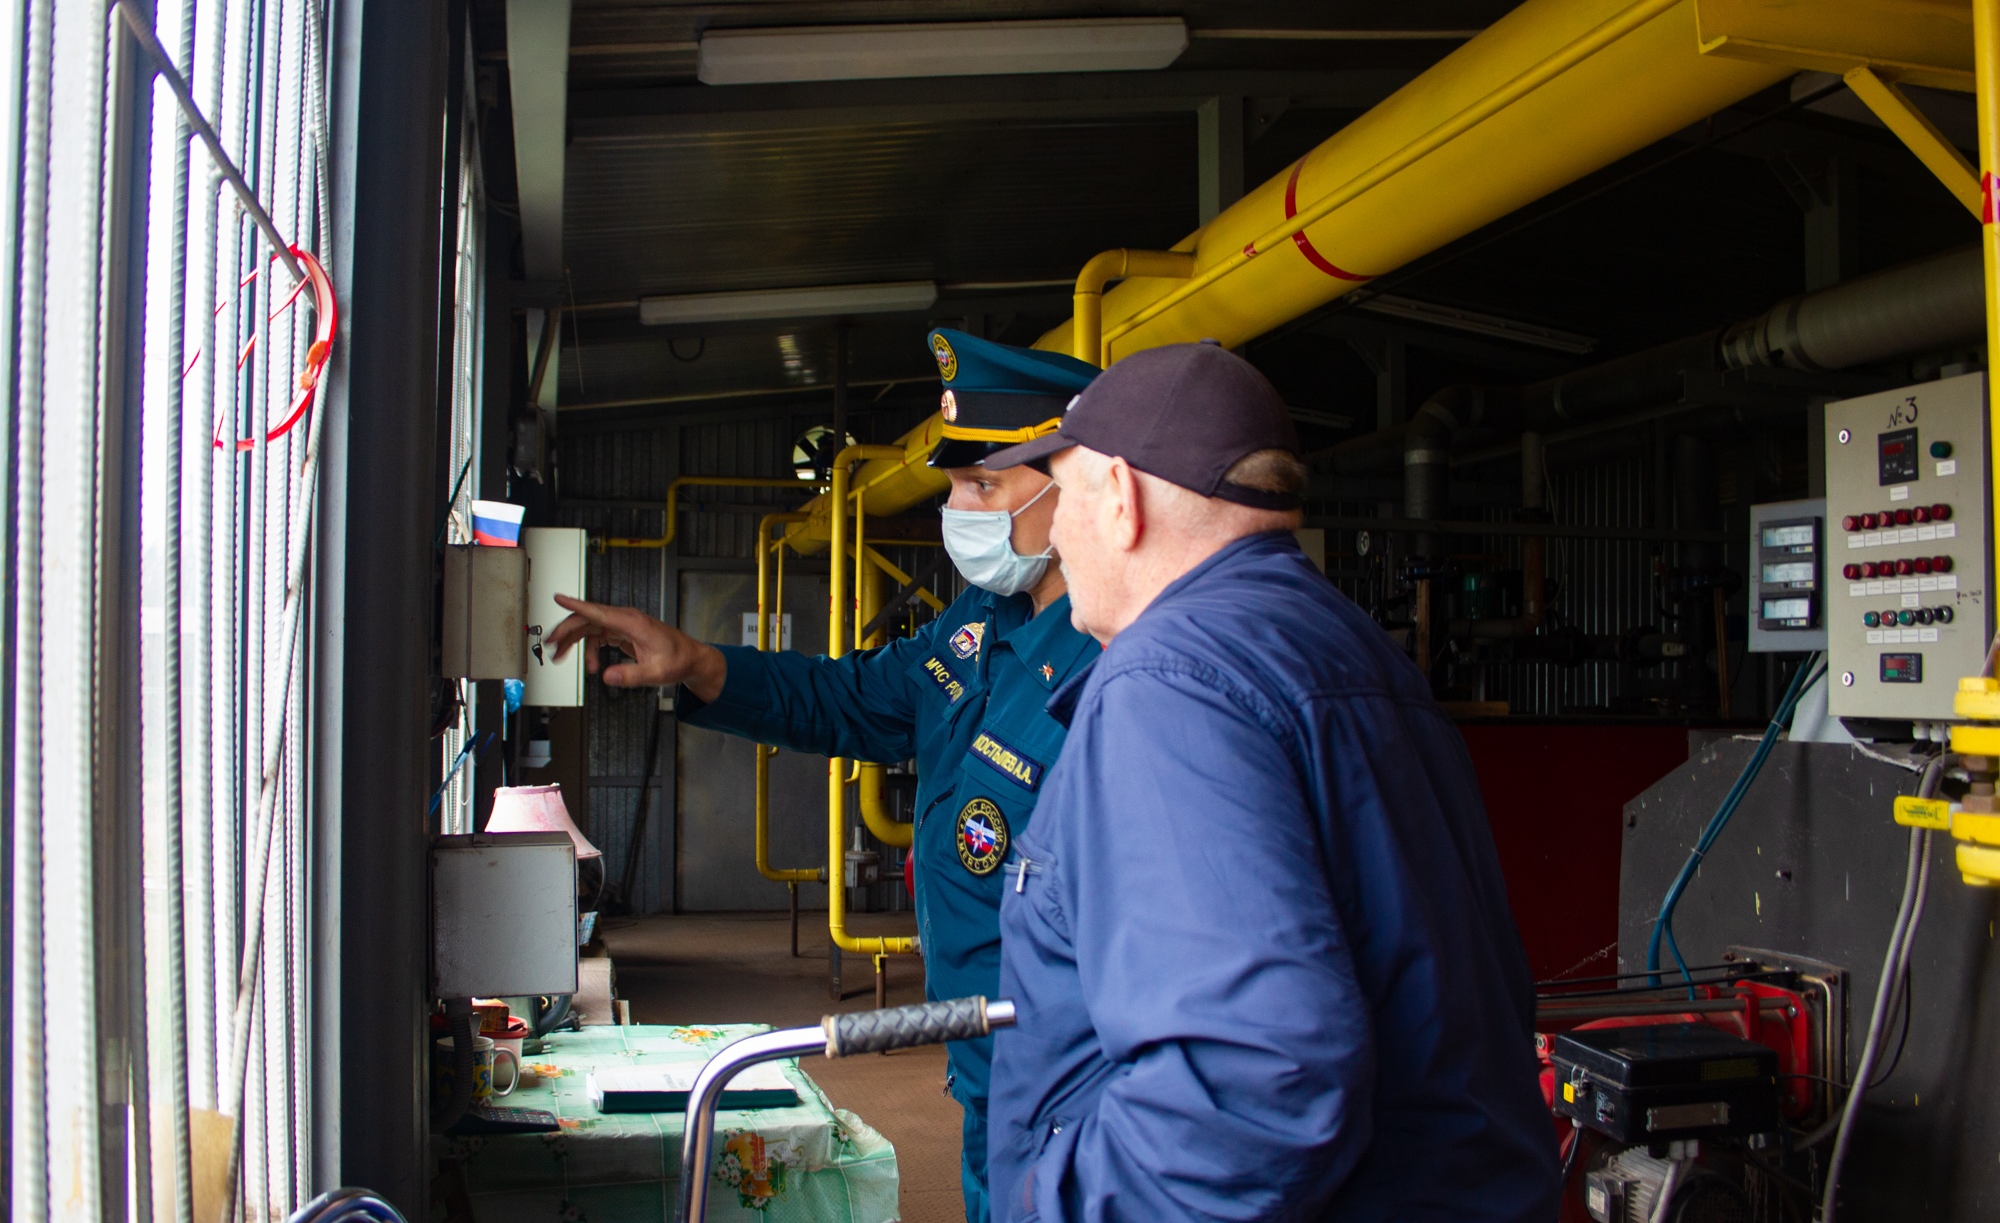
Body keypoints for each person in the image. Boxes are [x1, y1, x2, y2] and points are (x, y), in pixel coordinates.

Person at [979, 341, 1560, 1222]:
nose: (1053, 535)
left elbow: (1255, 1078)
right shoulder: (1358, 653)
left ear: (1123, 498)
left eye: (1062, 493)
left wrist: (1055, 1207)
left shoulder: (1165, 684)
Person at [545, 329, 1102, 1223]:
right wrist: (691, 658)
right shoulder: (983, 619)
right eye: (953, 484)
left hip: (1073, 1083)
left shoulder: (1115, 660)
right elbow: (852, 698)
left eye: (983, 484)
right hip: (983, 1063)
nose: (957, 508)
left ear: (1074, 483)